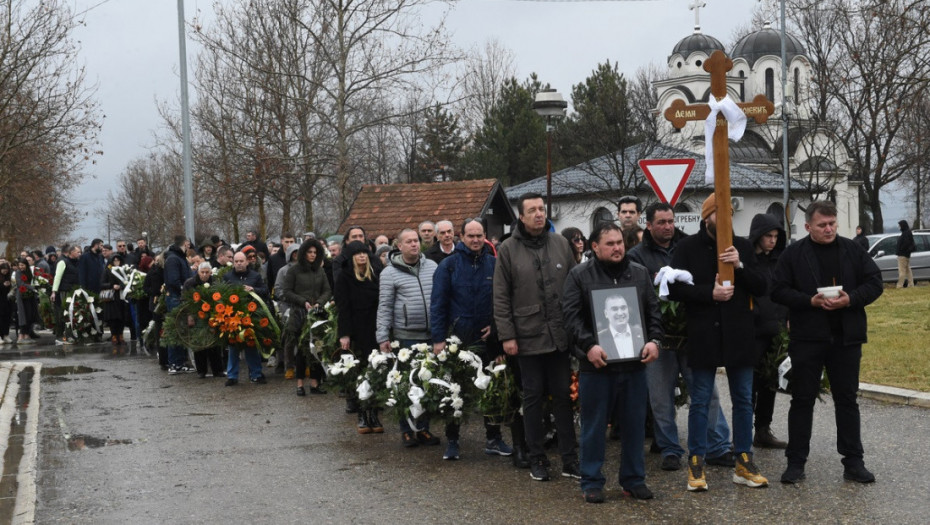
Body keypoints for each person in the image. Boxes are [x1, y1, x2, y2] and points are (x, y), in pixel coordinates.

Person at [771, 201, 883, 484]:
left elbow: (875, 282)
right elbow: (778, 290)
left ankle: (853, 462)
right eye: (822, 225)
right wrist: (808, 301)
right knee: (802, 399)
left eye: (832, 223)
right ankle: (796, 462)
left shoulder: (852, 249)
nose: (829, 229)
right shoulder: (793, 254)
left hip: (846, 337)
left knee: (847, 399)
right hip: (808, 337)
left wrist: (851, 299)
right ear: (808, 226)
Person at [668, 194, 769, 492]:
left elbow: (762, 286)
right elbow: (673, 289)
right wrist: (707, 294)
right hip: (704, 334)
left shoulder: (744, 247)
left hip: (739, 334)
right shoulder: (687, 247)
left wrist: (740, 266)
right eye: (719, 214)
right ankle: (697, 462)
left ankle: (743, 461)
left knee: (743, 400)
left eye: (729, 214)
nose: (725, 220)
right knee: (701, 401)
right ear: (707, 216)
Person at [628, 202, 733, 472]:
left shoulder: (688, 246)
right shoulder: (636, 256)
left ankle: (718, 446)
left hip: (693, 331)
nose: (667, 227)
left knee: (706, 393)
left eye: (671, 221)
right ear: (648, 225)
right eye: (661, 222)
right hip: (658, 336)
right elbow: (638, 294)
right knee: (661, 398)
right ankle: (670, 449)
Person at [562, 221, 662, 503]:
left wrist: (655, 341)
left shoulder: (639, 274)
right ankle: (592, 481)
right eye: (610, 244)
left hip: (634, 366)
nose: (618, 248)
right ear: (595, 247)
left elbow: (653, 313)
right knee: (594, 426)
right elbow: (570, 318)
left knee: (633, 426)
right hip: (596, 367)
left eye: (620, 242)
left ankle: (633, 480)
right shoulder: (579, 276)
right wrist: (589, 346)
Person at [493, 192, 579, 482]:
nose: (539, 214)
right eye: (532, 210)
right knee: (532, 398)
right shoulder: (507, 249)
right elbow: (501, 297)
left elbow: (573, 286)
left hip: (559, 336)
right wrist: (507, 336)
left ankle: (570, 459)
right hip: (527, 337)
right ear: (521, 216)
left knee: (564, 398)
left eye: (541, 209)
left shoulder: (560, 244)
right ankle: (537, 458)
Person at [430, 218, 518, 462]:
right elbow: (438, 305)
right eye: (471, 236)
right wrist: (438, 340)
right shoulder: (448, 266)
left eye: (480, 235)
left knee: (491, 389)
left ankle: (493, 438)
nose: (476, 240)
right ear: (462, 236)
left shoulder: (494, 264)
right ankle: (453, 440)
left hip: (488, 339)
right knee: (455, 390)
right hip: (457, 339)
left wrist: (498, 328)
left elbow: (503, 301)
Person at [376, 228, 440, 448]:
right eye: (409, 241)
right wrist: (383, 336)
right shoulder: (389, 273)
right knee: (406, 385)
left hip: (431, 334)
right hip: (405, 337)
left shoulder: (432, 266)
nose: (414, 244)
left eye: (416, 241)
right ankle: (406, 430)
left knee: (428, 383)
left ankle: (423, 428)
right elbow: (384, 306)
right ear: (399, 246)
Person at [748, 213, 789, 449]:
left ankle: (763, 428)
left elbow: (784, 290)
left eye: (775, 236)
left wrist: (787, 319)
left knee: (770, 382)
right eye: (768, 236)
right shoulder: (748, 260)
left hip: (775, 327)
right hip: (753, 331)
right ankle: (744, 430)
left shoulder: (779, 261)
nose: (772, 241)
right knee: (749, 385)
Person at [335, 241, 383, 433]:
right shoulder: (345, 277)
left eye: (365, 253)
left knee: (376, 370)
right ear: (352, 257)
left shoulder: (376, 275)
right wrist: (344, 334)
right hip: (356, 329)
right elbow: (343, 308)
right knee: (359, 372)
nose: (362, 256)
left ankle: (375, 414)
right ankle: (363, 414)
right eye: (358, 253)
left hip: (375, 328)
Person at [280, 239, 331, 395]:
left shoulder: (320, 270)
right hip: (299, 314)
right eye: (309, 252)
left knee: (317, 347)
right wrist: (303, 302)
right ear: (303, 253)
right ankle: (300, 383)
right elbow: (286, 292)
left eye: (315, 252)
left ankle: (315, 383)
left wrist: (319, 303)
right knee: (302, 349)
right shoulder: (294, 270)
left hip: (317, 314)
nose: (313, 255)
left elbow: (327, 291)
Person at [223, 251, 270, 385]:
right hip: (232, 317)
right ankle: (232, 376)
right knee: (233, 347)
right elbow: (221, 293)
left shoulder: (255, 276)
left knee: (251, 346)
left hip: (251, 316)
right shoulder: (227, 277)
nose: (239, 263)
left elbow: (265, 291)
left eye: (241, 261)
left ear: (247, 262)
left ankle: (255, 373)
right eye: (236, 261)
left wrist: (253, 289)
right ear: (233, 262)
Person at [183, 262, 226, 378]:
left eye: (207, 272)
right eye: (202, 272)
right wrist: (189, 315)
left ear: (211, 272)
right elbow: (185, 301)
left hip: (212, 315)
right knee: (199, 343)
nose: (205, 275)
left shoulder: (215, 283)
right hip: (196, 316)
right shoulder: (190, 283)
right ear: (198, 272)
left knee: (214, 344)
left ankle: (218, 370)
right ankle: (201, 370)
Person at [164, 236, 195, 374]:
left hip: (179, 298)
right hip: (177, 299)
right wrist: (185, 291)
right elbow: (173, 281)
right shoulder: (174, 259)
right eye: (188, 244)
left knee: (181, 330)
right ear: (185, 243)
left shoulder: (177, 257)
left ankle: (180, 362)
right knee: (176, 330)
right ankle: (175, 363)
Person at [273, 243, 301, 379]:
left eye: (298, 252)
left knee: (304, 337)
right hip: (287, 307)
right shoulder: (283, 271)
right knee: (289, 337)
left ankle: (304, 365)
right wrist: (288, 297)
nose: (296, 255)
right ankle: (289, 366)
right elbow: (278, 289)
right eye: (294, 252)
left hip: (303, 306)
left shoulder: (306, 269)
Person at [101, 253, 133, 353]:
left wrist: (122, 286)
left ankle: (121, 335)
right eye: (114, 261)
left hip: (122, 297)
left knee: (122, 318)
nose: (116, 262)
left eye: (118, 260)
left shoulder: (124, 270)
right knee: (113, 318)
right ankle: (114, 336)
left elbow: (128, 282)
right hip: (112, 298)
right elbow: (102, 283)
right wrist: (111, 285)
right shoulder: (107, 271)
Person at [12, 259, 41, 343]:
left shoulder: (29, 272)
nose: (21, 267)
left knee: (29, 315)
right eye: (20, 265)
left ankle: (26, 335)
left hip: (30, 296)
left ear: (26, 265)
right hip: (22, 296)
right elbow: (20, 283)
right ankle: (21, 336)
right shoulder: (18, 273)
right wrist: (32, 287)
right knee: (23, 315)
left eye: (23, 265)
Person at [895, 219, 915, 288]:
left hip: (902, 255)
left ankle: (900, 285)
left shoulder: (905, 234)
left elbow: (905, 244)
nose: (899, 227)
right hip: (906, 255)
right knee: (908, 270)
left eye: (900, 225)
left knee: (902, 271)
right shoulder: (908, 232)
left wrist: (901, 250)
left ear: (902, 226)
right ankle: (911, 283)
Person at [0, 262, 13, 344]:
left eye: (6, 271)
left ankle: (6, 335)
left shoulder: (9, 277)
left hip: (7, 301)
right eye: (3, 271)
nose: (5, 272)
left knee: (7, 318)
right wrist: (3, 285)